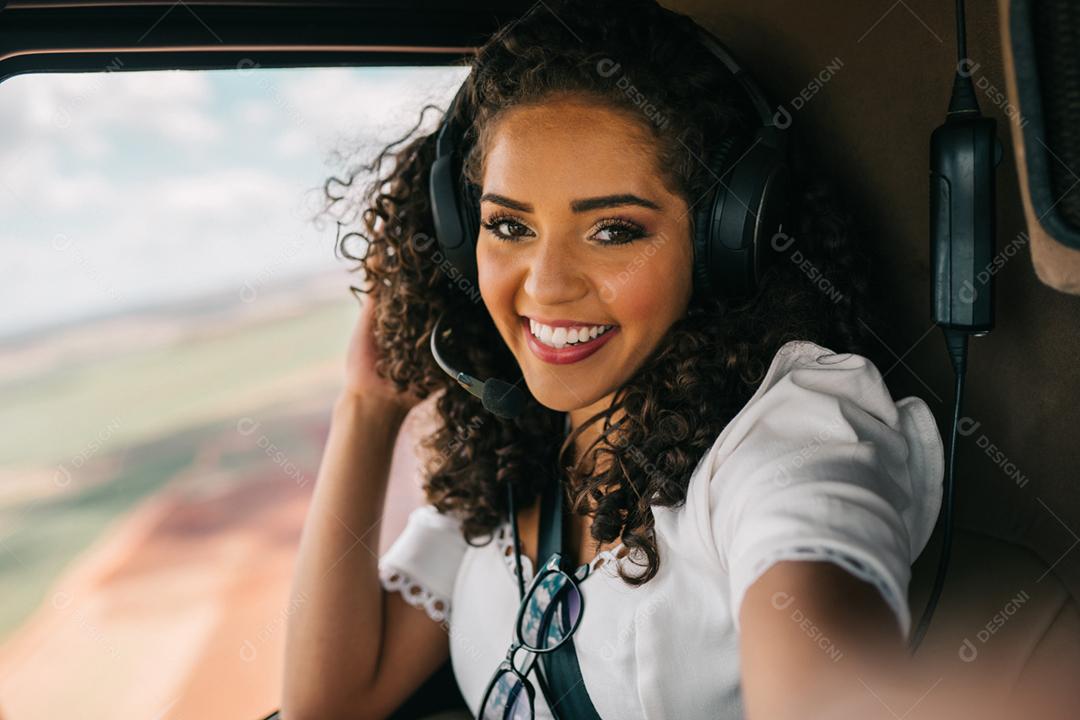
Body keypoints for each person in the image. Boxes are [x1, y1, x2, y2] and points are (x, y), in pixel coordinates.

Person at [282, 1, 949, 718]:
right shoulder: (510, 457)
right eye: (509, 225)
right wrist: (366, 404)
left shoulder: (788, 435)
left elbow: (827, 669)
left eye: (613, 230)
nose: (544, 286)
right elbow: (329, 702)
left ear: (725, 239)